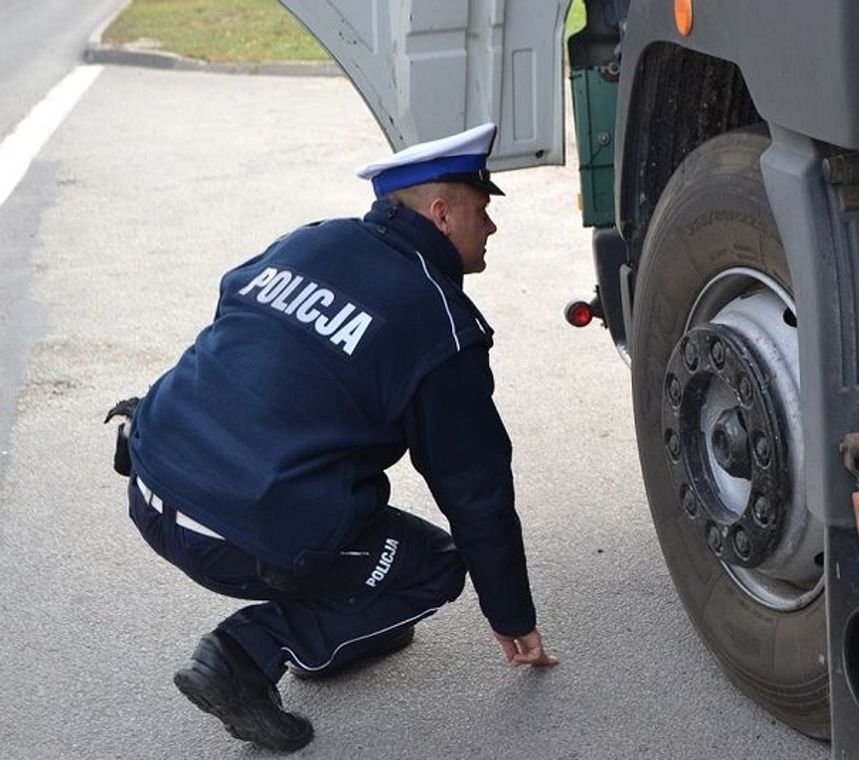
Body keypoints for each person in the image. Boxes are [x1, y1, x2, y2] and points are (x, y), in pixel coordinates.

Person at [120, 122, 557, 753]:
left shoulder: (311, 240)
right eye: (483, 211)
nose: (491, 228)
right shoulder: (438, 321)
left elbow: (231, 319)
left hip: (149, 479)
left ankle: (327, 634)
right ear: (441, 214)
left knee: (370, 582)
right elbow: (475, 489)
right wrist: (513, 617)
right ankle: (245, 652)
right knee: (431, 566)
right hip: (229, 532)